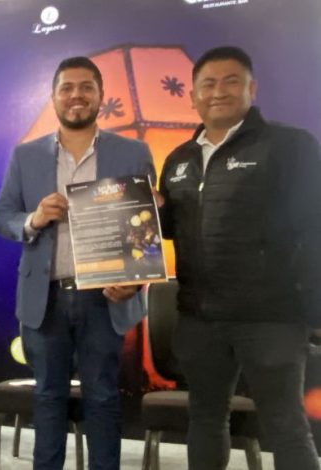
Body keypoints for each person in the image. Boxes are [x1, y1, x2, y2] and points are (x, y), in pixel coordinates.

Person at [157, 46, 321, 470]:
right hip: (199, 317)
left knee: (285, 425)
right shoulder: (179, 160)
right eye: (207, 84)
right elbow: (171, 229)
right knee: (206, 418)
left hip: (270, 317)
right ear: (192, 96)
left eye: (231, 81)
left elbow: (314, 226)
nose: (218, 92)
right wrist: (148, 211)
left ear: (252, 88)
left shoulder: (289, 146)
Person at [0, 57, 154, 470]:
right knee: (48, 396)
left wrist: (134, 281)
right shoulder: (26, 156)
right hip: (46, 297)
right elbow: (2, 217)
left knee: (102, 395)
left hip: (105, 296)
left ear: (100, 95)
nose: (76, 95)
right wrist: (33, 219)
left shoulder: (133, 153)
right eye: (67, 88)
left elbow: (146, 226)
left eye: (86, 87)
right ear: (54, 97)